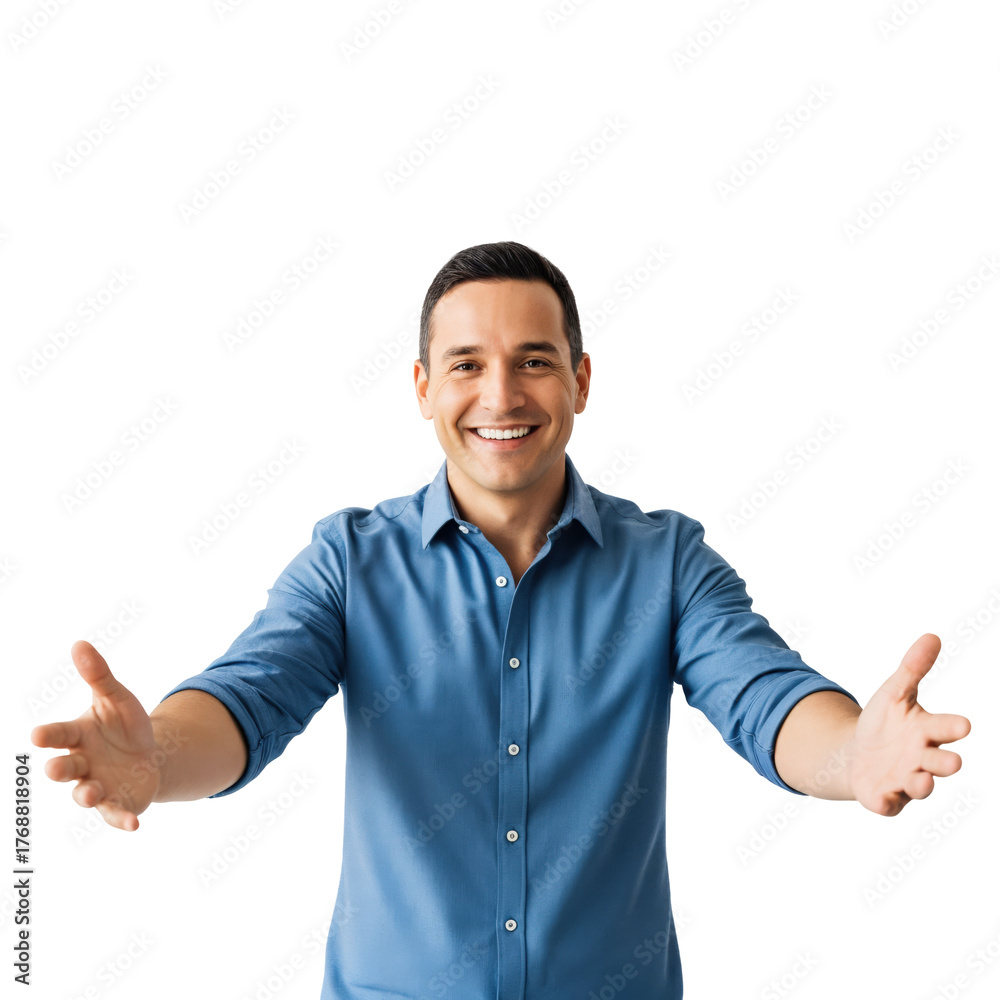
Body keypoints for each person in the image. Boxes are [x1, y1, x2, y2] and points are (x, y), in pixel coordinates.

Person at [32, 241, 972, 999]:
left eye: (534, 362)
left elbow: (764, 699)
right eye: (466, 365)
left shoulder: (667, 562)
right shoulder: (351, 561)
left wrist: (853, 757)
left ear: (581, 380)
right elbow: (250, 699)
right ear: (422, 388)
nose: (501, 396)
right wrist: (158, 757)